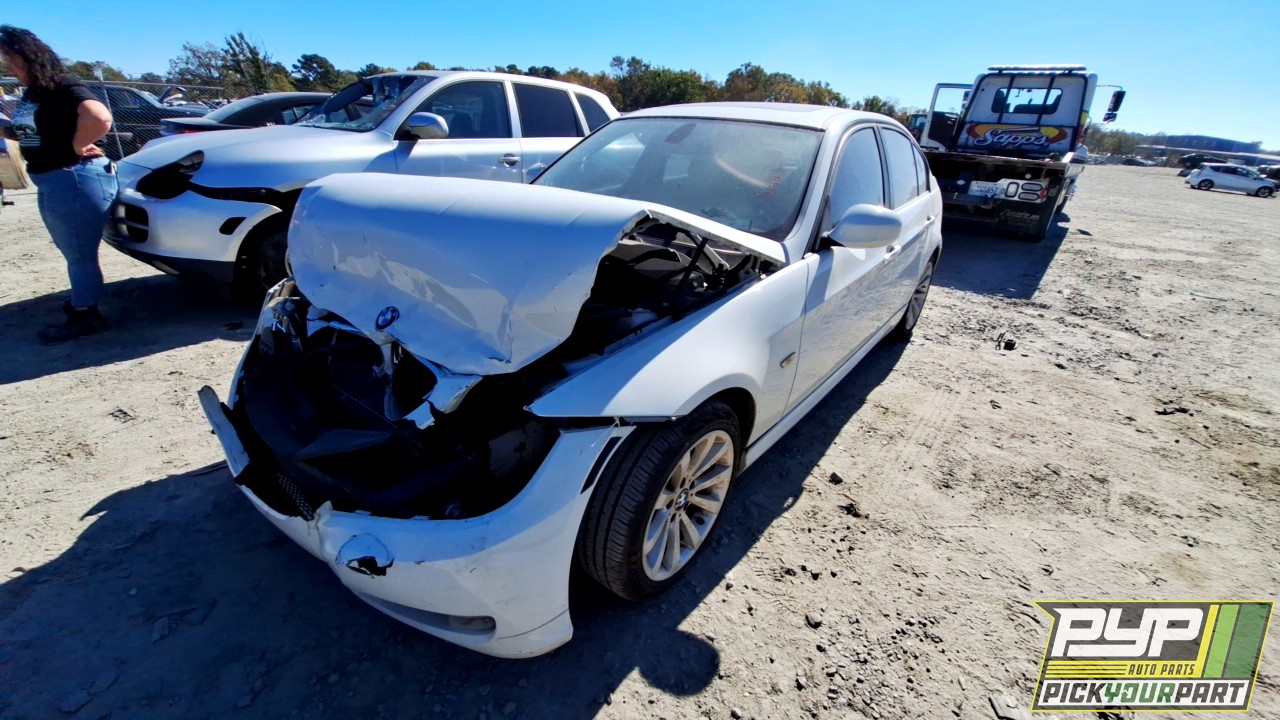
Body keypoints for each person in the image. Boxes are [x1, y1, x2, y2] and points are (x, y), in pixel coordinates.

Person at [0, 26, 117, 343]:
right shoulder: (34, 92)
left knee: (80, 255)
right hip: (54, 179)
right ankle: (83, 303)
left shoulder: (63, 86)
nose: (7, 66)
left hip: (74, 177)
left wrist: (79, 144)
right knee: (74, 253)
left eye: (11, 60)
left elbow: (99, 117)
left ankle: (85, 315)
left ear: (29, 57)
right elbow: (28, 133)